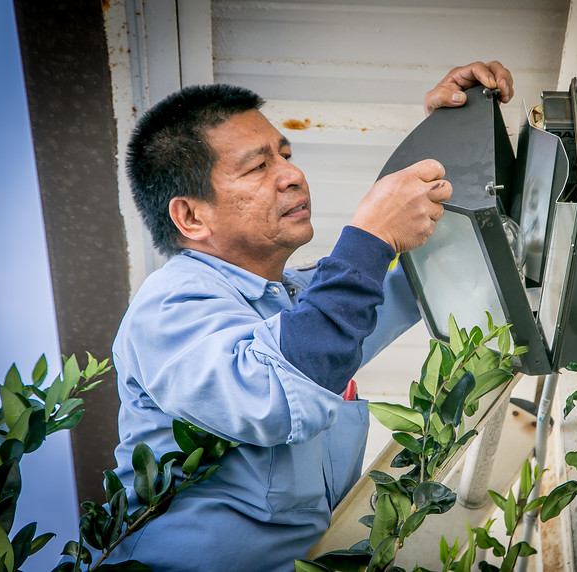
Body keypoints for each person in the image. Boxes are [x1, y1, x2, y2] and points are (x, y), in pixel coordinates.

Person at [106, 61, 514, 571]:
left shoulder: (302, 301)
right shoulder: (167, 305)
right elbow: (274, 395)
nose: (292, 175)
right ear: (191, 216)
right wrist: (370, 239)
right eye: (258, 167)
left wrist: (450, 134)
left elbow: (423, 272)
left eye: (286, 154)